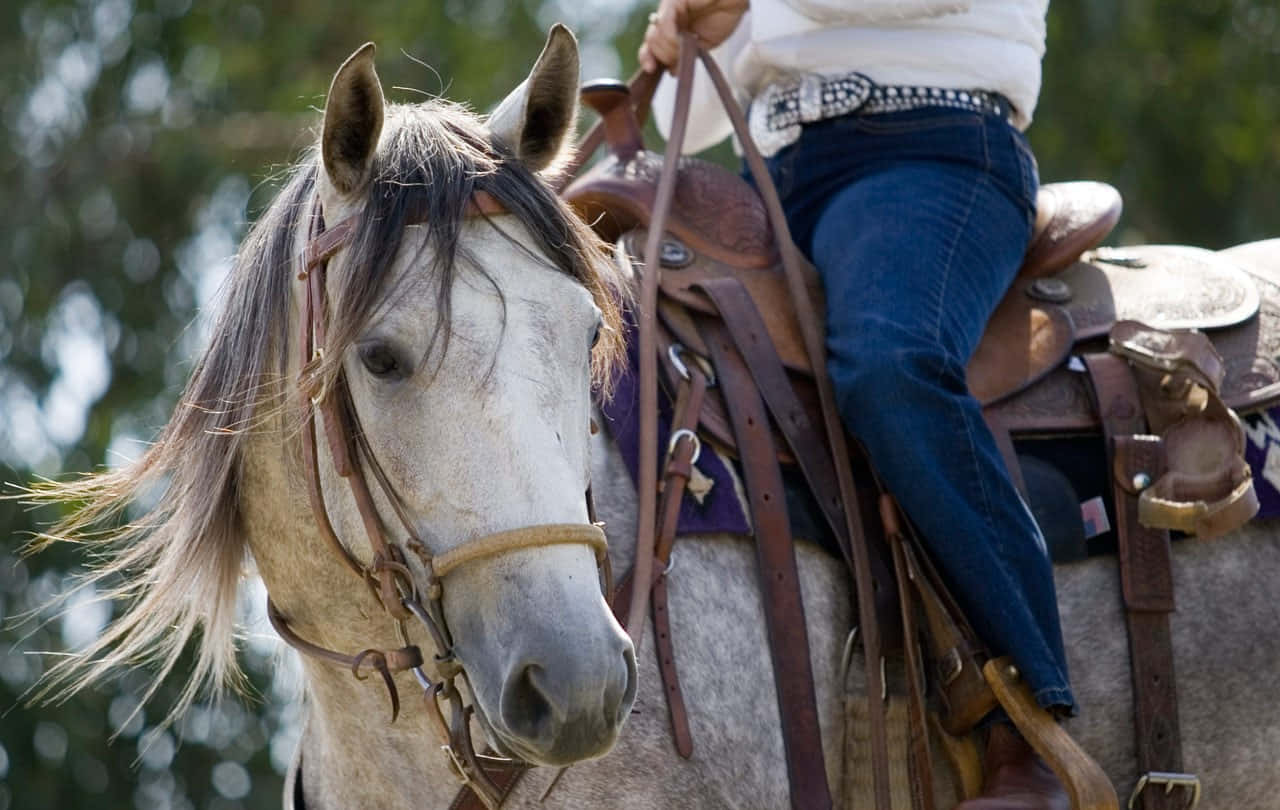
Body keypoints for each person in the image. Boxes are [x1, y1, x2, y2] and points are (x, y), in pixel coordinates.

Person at [641, 2, 1073, 808]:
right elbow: (687, 119)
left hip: (933, 152)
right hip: (770, 176)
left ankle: (1032, 732)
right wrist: (691, 39)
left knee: (890, 365)